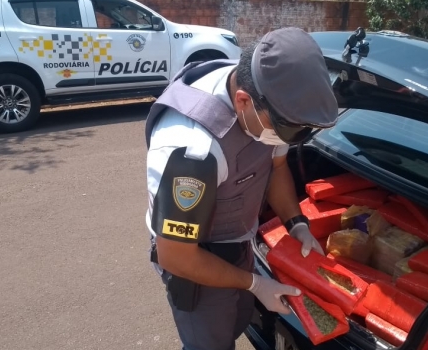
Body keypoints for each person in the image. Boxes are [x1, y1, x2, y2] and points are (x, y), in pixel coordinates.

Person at [143, 27, 339, 350]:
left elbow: (276, 169)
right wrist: (254, 283)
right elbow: (176, 256)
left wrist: (297, 224)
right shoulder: (192, 152)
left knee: (234, 320)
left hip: (237, 237)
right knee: (207, 342)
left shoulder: (269, 100)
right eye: (289, 129)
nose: (291, 137)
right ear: (242, 101)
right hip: (193, 256)